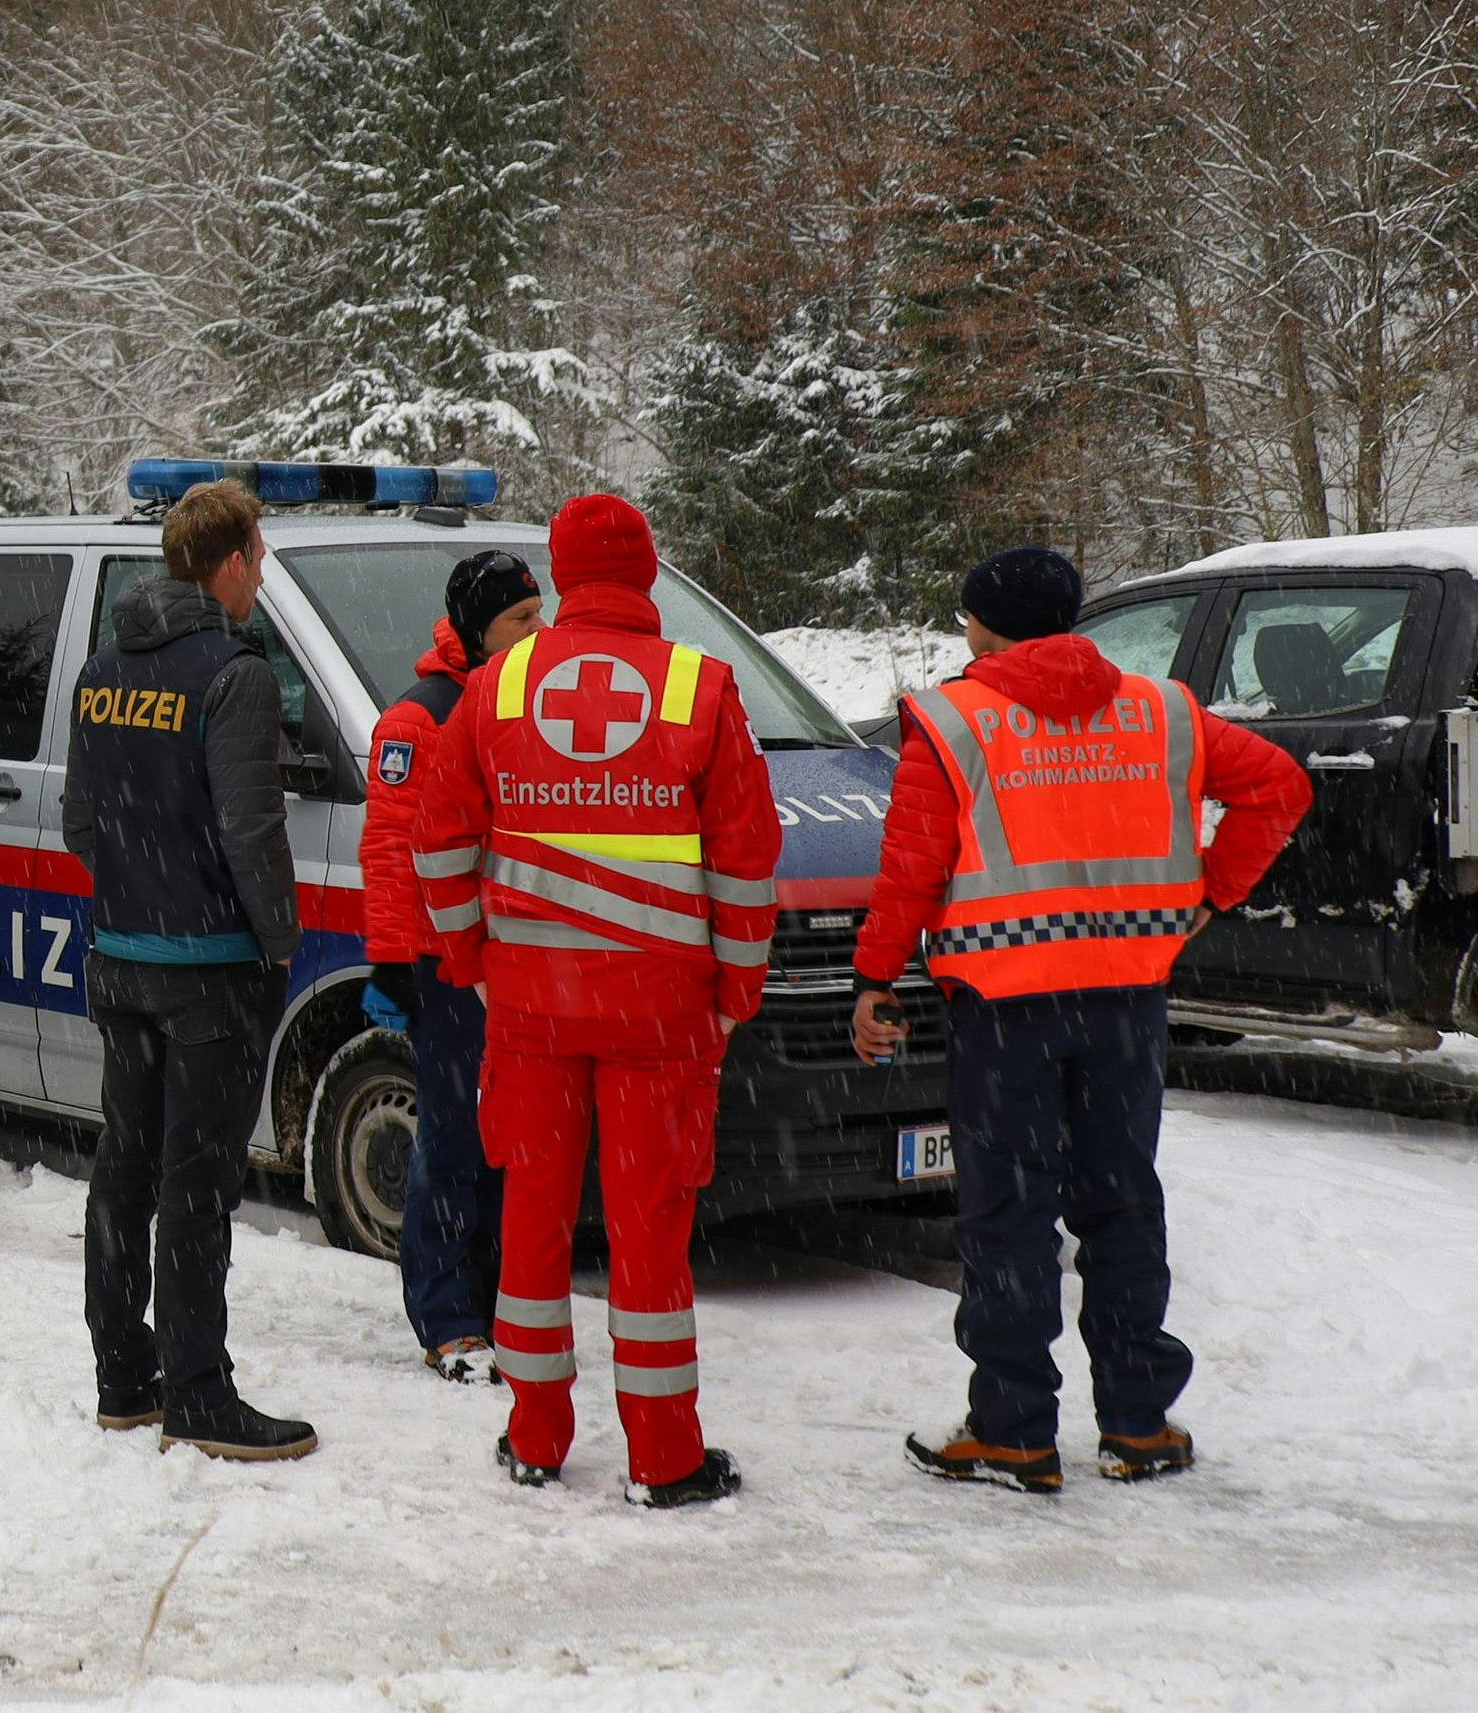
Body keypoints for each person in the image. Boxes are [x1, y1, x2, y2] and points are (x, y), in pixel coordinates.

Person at [852, 546, 1310, 1495]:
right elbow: (1279, 789)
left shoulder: (952, 719)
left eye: (969, 616)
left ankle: (1014, 1431)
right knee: (1120, 1203)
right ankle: (1139, 1423)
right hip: (1127, 1001)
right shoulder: (1162, 712)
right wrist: (1213, 893)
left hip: (1003, 1006)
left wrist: (875, 975)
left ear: (988, 623)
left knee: (1008, 1213)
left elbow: (912, 867)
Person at [411, 493, 780, 1509]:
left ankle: (533, 1432)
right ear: (649, 574)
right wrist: (734, 991)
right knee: (648, 1231)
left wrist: (472, 960)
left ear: (561, 578)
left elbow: (438, 843)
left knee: (529, 1221)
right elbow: (745, 862)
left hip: (529, 1013)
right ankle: (662, 1456)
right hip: (660, 1017)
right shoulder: (699, 688)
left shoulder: (494, 686)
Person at [61, 477, 315, 1461]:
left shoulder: (102, 668)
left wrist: (140, 895)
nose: (262, 575)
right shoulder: (234, 673)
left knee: (123, 1174)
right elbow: (251, 830)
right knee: (197, 1187)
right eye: (261, 555)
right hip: (212, 972)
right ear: (234, 560)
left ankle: (125, 1381)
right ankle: (201, 1395)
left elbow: (82, 823)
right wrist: (277, 937)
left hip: (120, 961)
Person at [357, 547, 546, 1382]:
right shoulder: (419, 719)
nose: (536, 633)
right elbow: (392, 852)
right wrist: (395, 961)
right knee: (454, 1138)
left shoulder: (537, 700)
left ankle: (503, 1299)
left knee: (513, 1137)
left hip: (519, 962)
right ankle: (447, 1318)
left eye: (539, 615)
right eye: (519, 619)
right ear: (476, 626)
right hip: (447, 967)